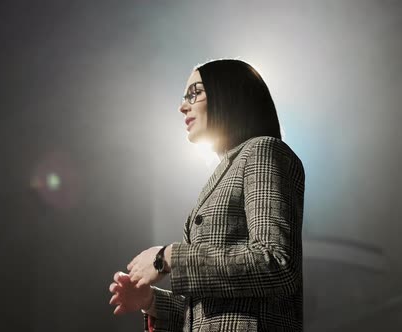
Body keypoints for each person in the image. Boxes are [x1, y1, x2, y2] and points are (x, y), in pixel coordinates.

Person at [108, 59, 305, 332]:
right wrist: (151, 300)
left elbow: (276, 263)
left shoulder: (262, 151)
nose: (182, 106)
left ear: (229, 93)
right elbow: (213, 316)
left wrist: (168, 258)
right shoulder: (224, 171)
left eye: (195, 92)